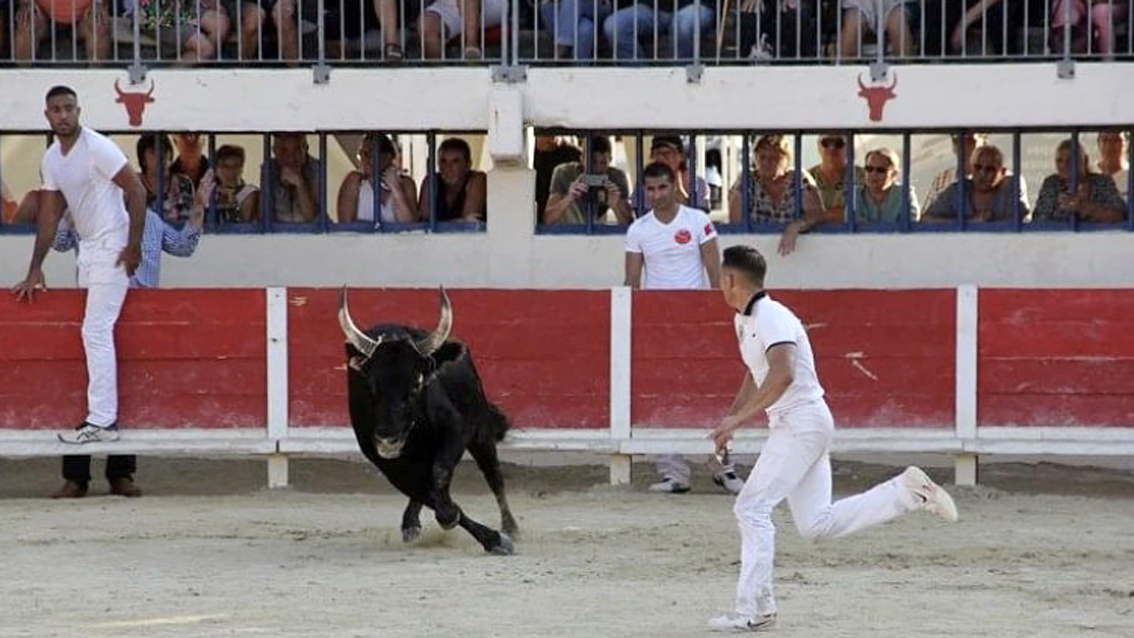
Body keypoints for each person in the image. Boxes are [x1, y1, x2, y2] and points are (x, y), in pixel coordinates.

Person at [706, 245, 959, 632]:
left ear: (730, 280)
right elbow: (756, 372)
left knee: (751, 508)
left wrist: (739, 419)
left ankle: (755, 609)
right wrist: (731, 418)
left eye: (720, 280)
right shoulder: (746, 320)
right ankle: (906, 492)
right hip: (804, 423)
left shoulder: (770, 315)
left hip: (800, 423)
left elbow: (784, 372)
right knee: (816, 525)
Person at [11, 86, 147, 495]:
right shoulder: (52, 158)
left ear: (78, 111)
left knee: (94, 331)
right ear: (47, 115)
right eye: (56, 110)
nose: (63, 115)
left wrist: (134, 246)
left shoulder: (98, 146)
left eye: (69, 108)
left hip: (112, 245)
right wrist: (35, 268)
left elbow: (137, 191)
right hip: (89, 250)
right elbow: (50, 214)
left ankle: (102, 423)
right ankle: (101, 425)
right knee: (95, 334)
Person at [46, 166, 210, 499]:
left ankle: (120, 474)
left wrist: (200, 208)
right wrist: (68, 209)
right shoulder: (88, 217)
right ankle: (77, 477)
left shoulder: (149, 221)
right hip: (97, 308)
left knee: (128, 388)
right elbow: (59, 242)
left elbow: (183, 247)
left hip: (140, 314)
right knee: (88, 386)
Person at [623, 160, 743, 496]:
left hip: (697, 320)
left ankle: (724, 466)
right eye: (650, 189)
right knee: (663, 392)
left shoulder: (698, 220)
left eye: (662, 187)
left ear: (675, 186)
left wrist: (720, 313)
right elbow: (632, 281)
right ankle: (673, 472)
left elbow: (715, 272)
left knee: (712, 390)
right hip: (658, 322)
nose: (657, 195)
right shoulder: (639, 229)